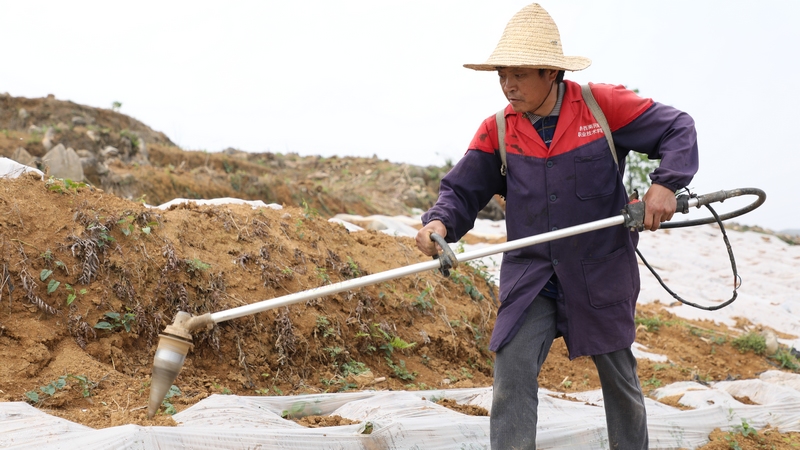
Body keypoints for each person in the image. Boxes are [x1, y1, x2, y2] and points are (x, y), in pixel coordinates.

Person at [415, 3, 699, 449]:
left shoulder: (601, 107)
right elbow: (461, 190)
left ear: (551, 72)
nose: (508, 85)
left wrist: (665, 185)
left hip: (600, 271)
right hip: (532, 274)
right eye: (502, 75)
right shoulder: (498, 130)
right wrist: (438, 222)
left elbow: (678, 128)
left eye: (520, 74)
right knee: (511, 373)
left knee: (620, 383)